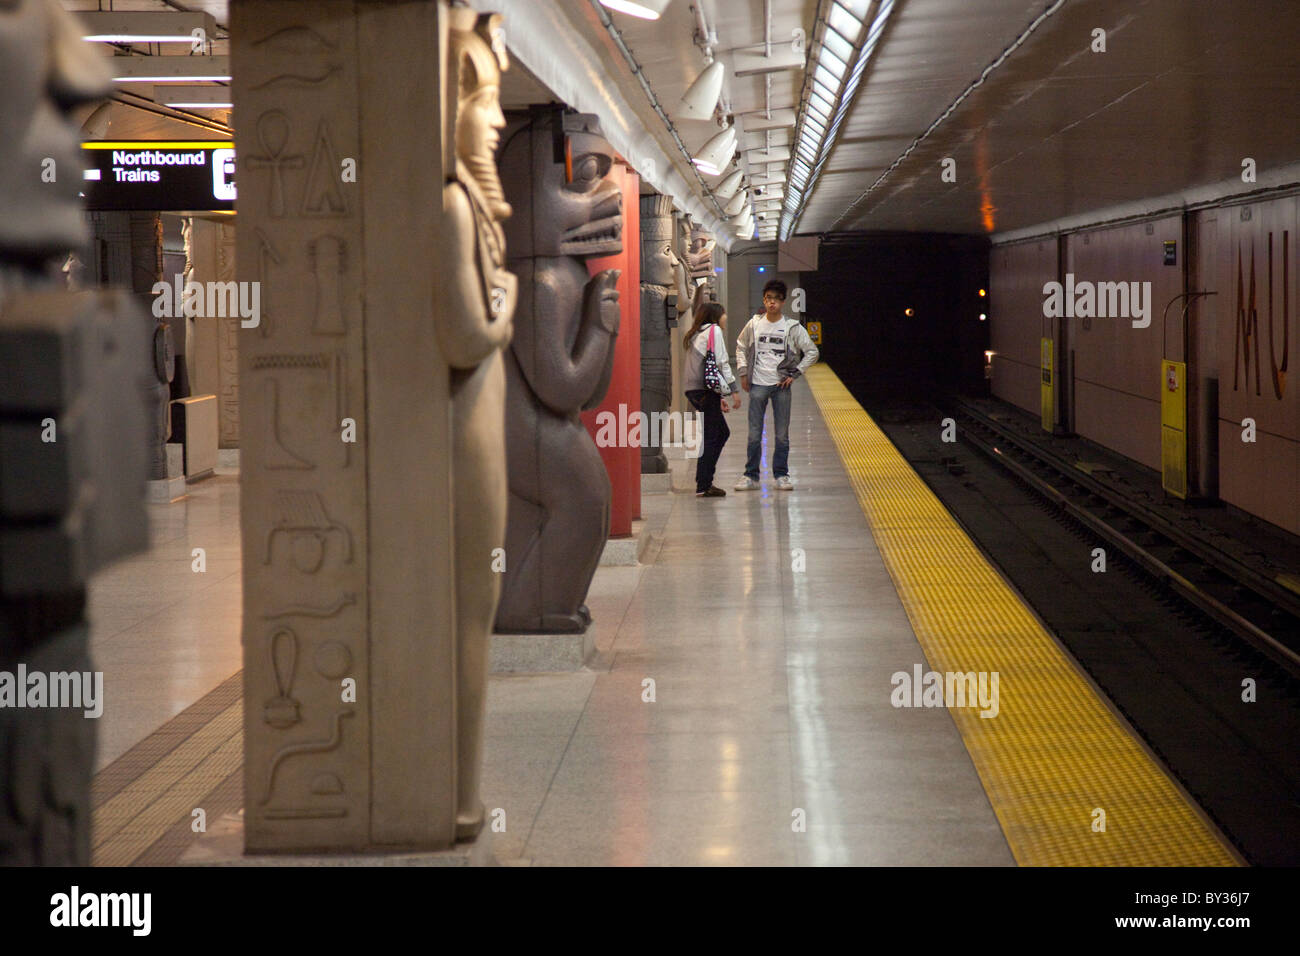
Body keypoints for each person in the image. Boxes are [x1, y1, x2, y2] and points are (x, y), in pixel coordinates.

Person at [733, 279, 819, 490]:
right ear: (764, 300)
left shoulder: (792, 327)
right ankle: (750, 476)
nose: (772, 303)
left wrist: (796, 372)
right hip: (758, 384)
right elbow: (740, 346)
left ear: (783, 302)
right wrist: (743, 373)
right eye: (769, 298)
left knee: (782, 434)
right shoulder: (754, 324)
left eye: (777, 299)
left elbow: (812, 351)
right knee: (754, 434)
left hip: (781, 386)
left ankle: (781, 474)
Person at [682, 302, 740, 497]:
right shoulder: (713, 330)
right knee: (712, 436)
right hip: (704, 390)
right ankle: (704, 484)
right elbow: (721, 362)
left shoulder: (696, 333)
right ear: (715, 315)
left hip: (696, 391)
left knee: (721, 432)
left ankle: (704, 480)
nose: (726, 318)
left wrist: (718, 395)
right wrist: (733, 390)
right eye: (723, 313)